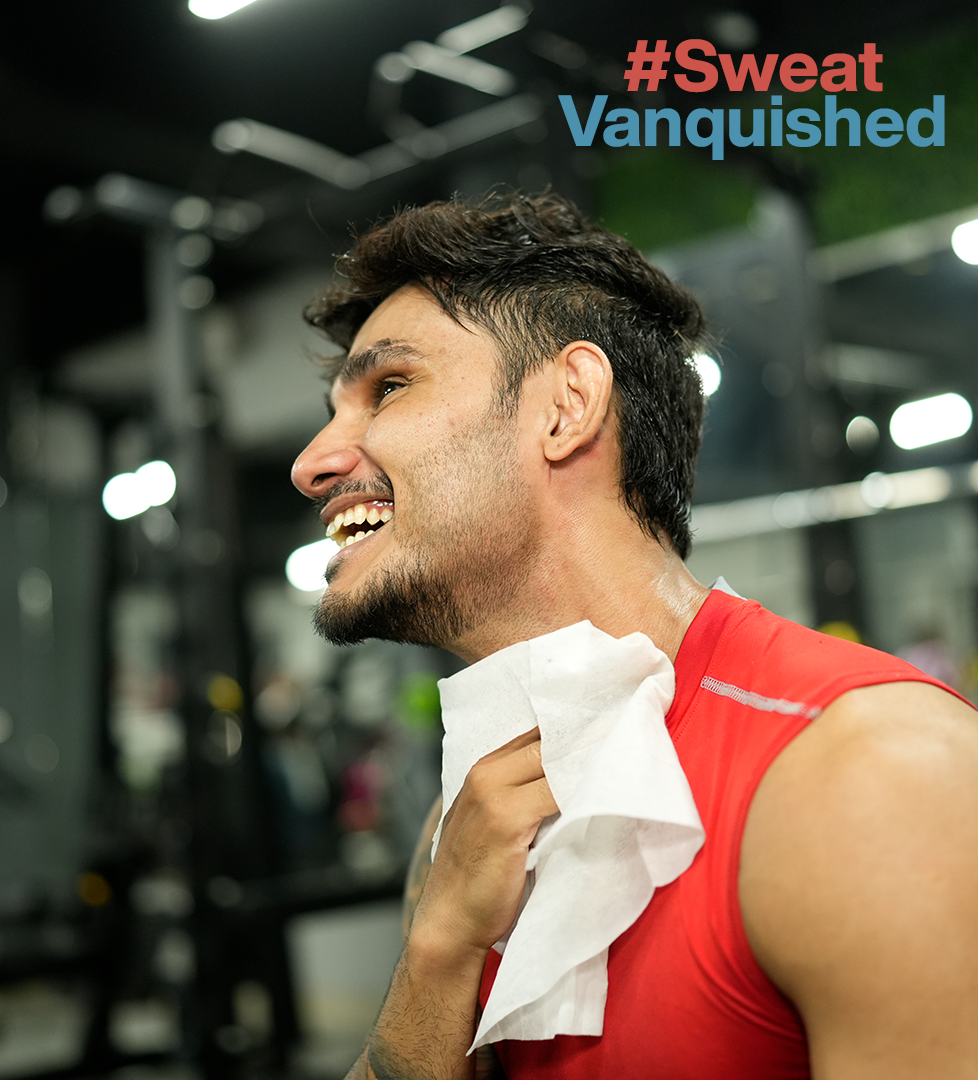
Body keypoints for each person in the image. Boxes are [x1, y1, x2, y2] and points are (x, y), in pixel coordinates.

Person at [290, 191, 978, 1079]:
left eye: (388, 386)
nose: (313, 462)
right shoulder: (467, 825)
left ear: (567, 404)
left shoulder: (873, 777)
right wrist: (440, 953)